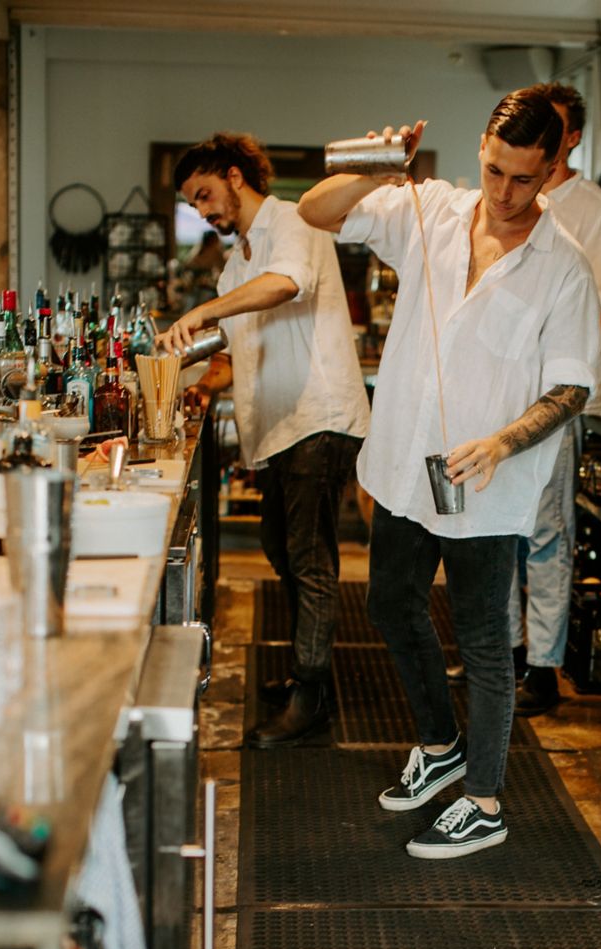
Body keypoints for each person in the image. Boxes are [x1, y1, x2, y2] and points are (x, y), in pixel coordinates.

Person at [298, 92, 601, 858]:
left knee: (485, 641)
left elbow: (571, 387)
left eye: (524, 179)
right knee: (390, 606)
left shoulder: (563, 265)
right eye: (495, 170)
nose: (504, 192)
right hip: (408, 463)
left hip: (487, 483)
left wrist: (502, 443)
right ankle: (440, 746)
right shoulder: (430, 208)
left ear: (553, 169)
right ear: (481, 152)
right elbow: (315, 211)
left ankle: (485, 802)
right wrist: (376, 167)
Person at [158, 132, 370, 746]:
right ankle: (309, 672)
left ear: (234, 175)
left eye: (204, 194)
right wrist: (202, 383)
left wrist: (204, 311)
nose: (202, 211)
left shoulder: (294, 221)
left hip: (318, 417)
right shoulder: (237, 262)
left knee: (308, 558)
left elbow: (287, 284)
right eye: (193, 204)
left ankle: (312, 696)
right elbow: (238, 346)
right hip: (282, 427)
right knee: (281, 547)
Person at [508, 82, 601, 716]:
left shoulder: (594, 213)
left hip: (556, 400)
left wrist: (536, 360)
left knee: (546, 533)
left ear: (572, 138)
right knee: (499, 529)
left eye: (550, 126)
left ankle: (544, 666)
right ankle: (503, 650)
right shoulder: (510, 198)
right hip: (501, 398)